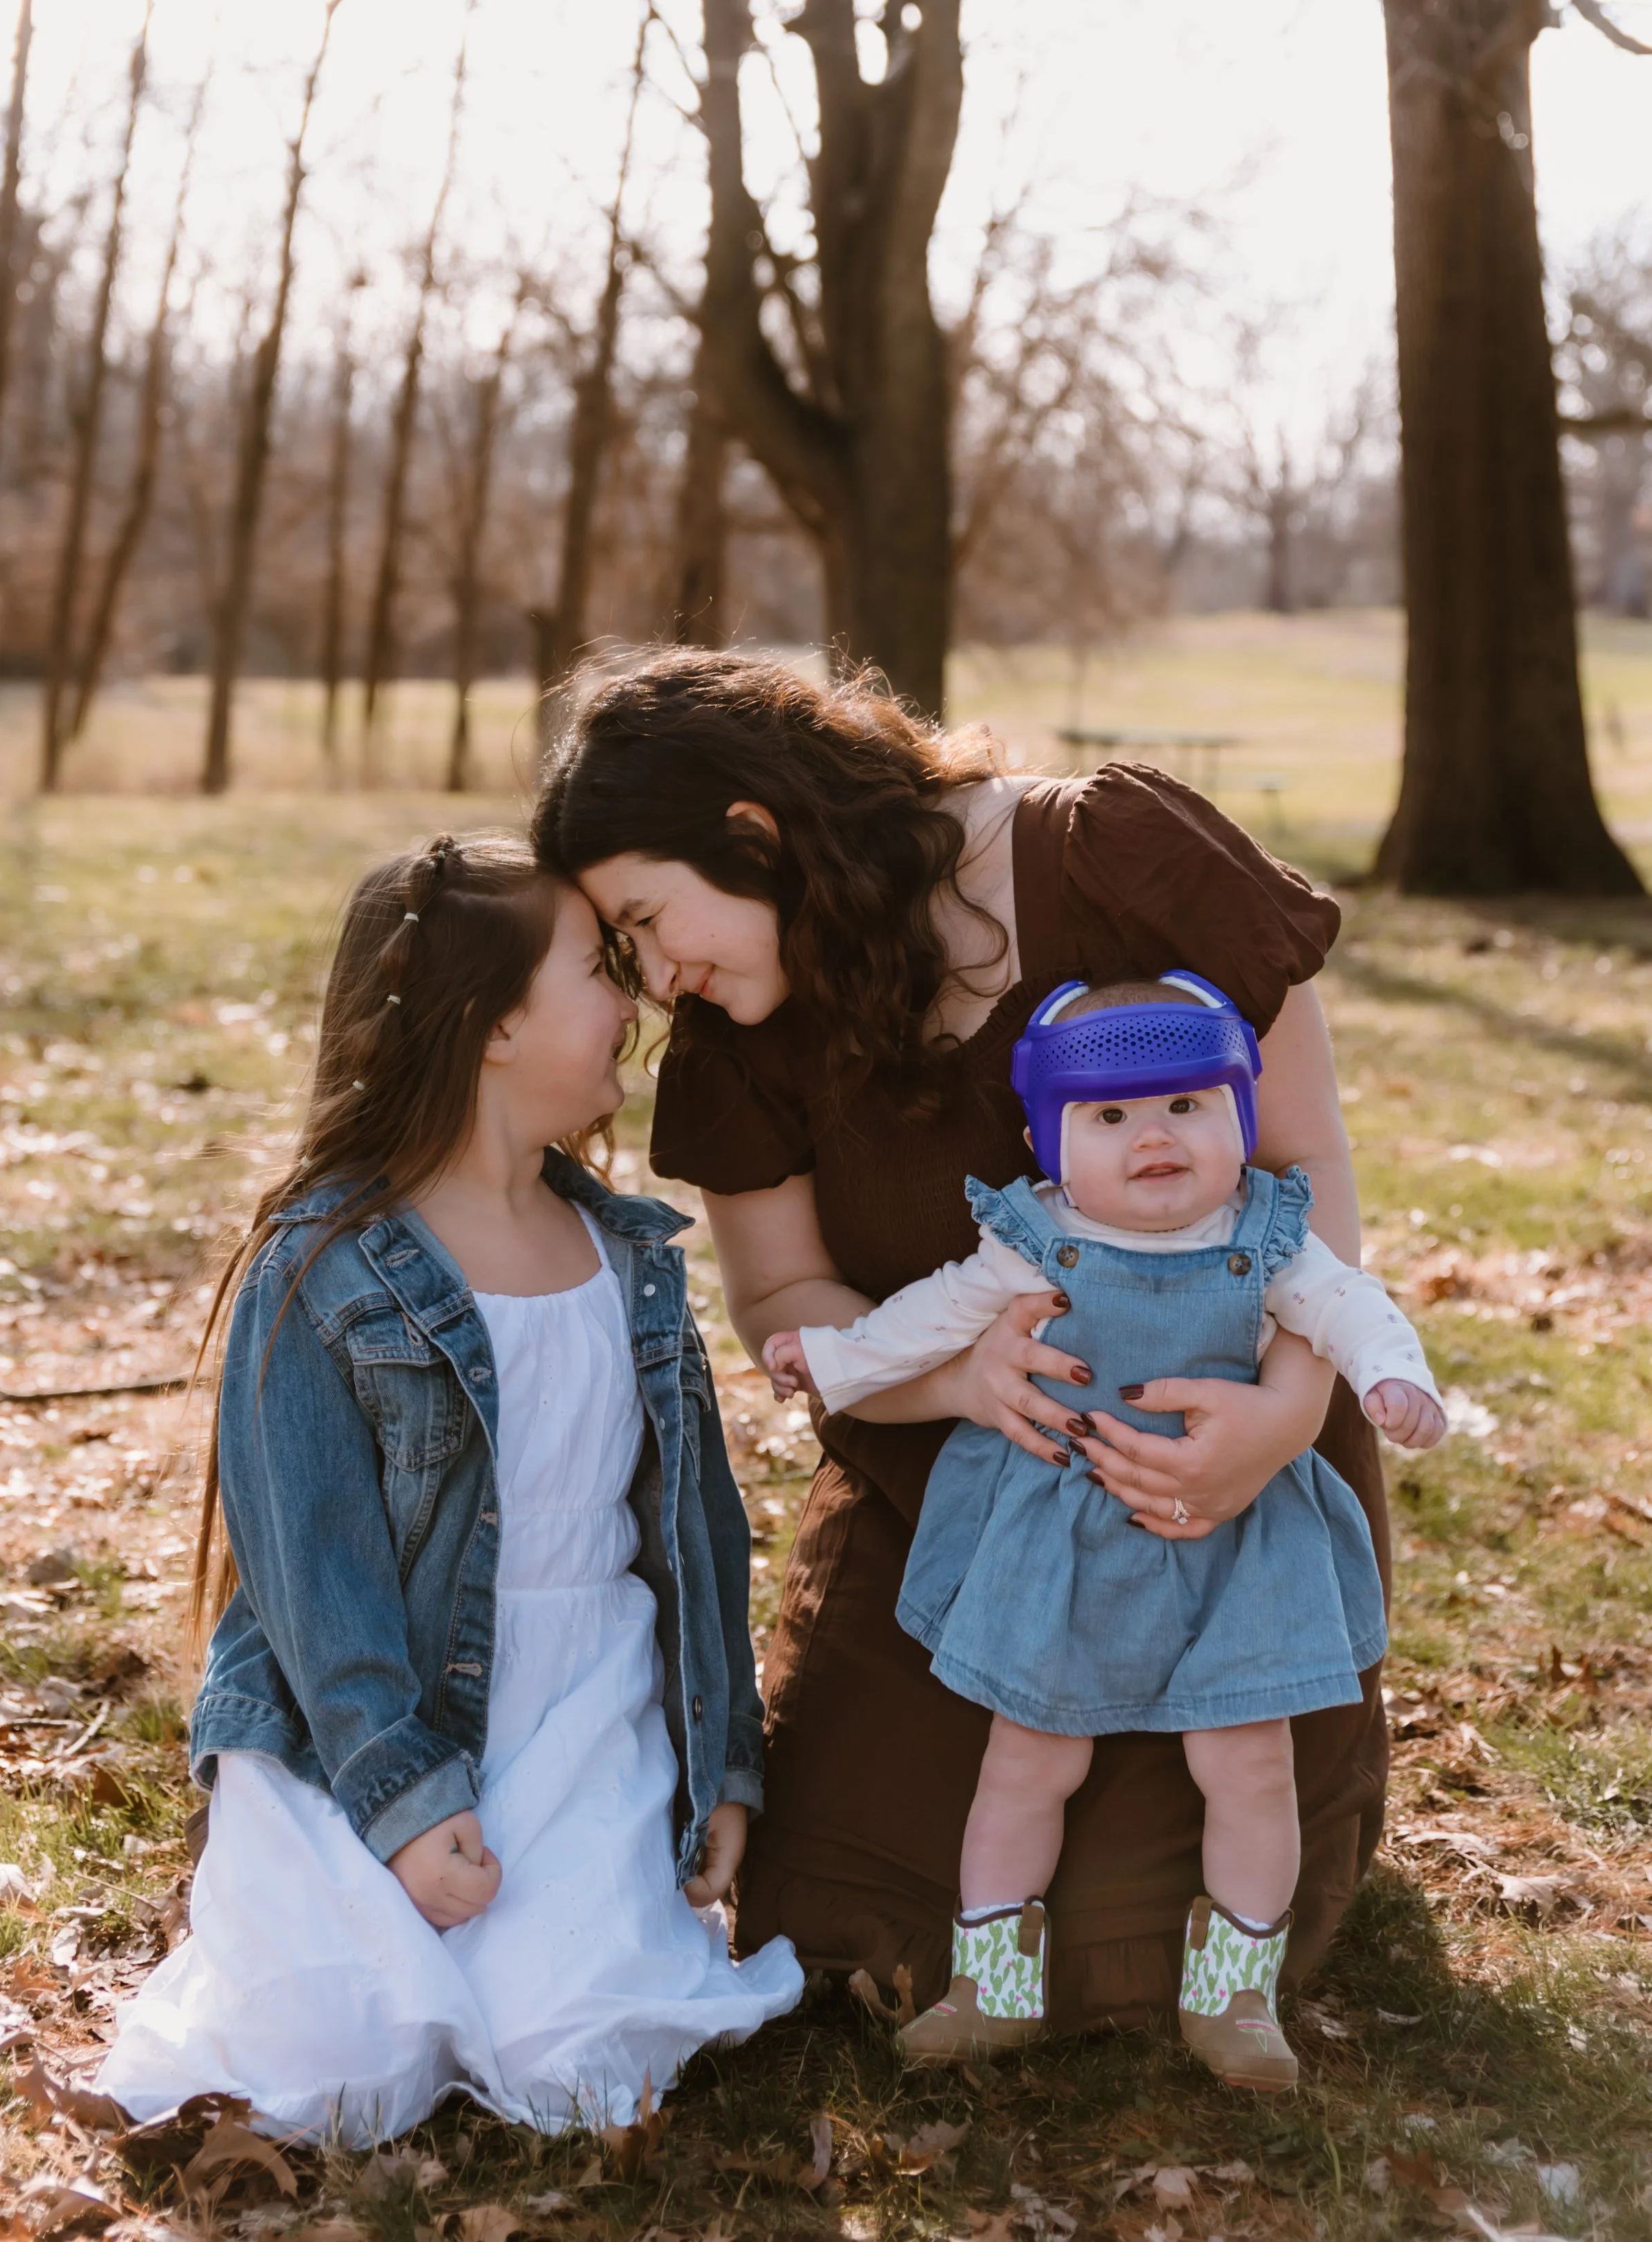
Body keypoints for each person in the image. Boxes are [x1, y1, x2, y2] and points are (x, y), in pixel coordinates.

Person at [531, 651, 1395, 2031]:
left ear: (749, 832)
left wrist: (1283, 1417)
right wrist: (954, 1376)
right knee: (850, 1918)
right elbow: (780, 1296)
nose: (654, 973)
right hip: (959, 1490)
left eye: (645, 916)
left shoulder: (1115, 860)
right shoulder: (738, 1028)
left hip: (1229, 1483)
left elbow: (1306, 1181)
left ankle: (1243, 1891)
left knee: (1142, 1923)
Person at [100, 835, 802, 2142]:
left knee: (575, 2049)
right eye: (598, 969)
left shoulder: (629, 1258)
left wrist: (724, 1766)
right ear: (493, 1026)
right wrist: (406, 1799)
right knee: (333, 2051)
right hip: (367, 1714)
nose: (636, 997)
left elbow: (698, 1535)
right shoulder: (322, 1266)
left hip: (586, 1702)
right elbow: (316, 1578)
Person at [764, 971, 1445, 2085]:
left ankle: (1237, 1993)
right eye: (1112, 1115)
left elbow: (1348, 1307)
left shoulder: (1270, 1235)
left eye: (1186, 1104)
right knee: (1029, 1757)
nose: (1155, 1136)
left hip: (1232, 1538)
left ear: (1240, 1114)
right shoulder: (1037, 1237)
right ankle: (994, 1985)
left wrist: (1391, 1376)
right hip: (1068, 1537)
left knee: (1249, 1761)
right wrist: (833, 1357)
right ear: (1051, 1140)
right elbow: (931, 1317)